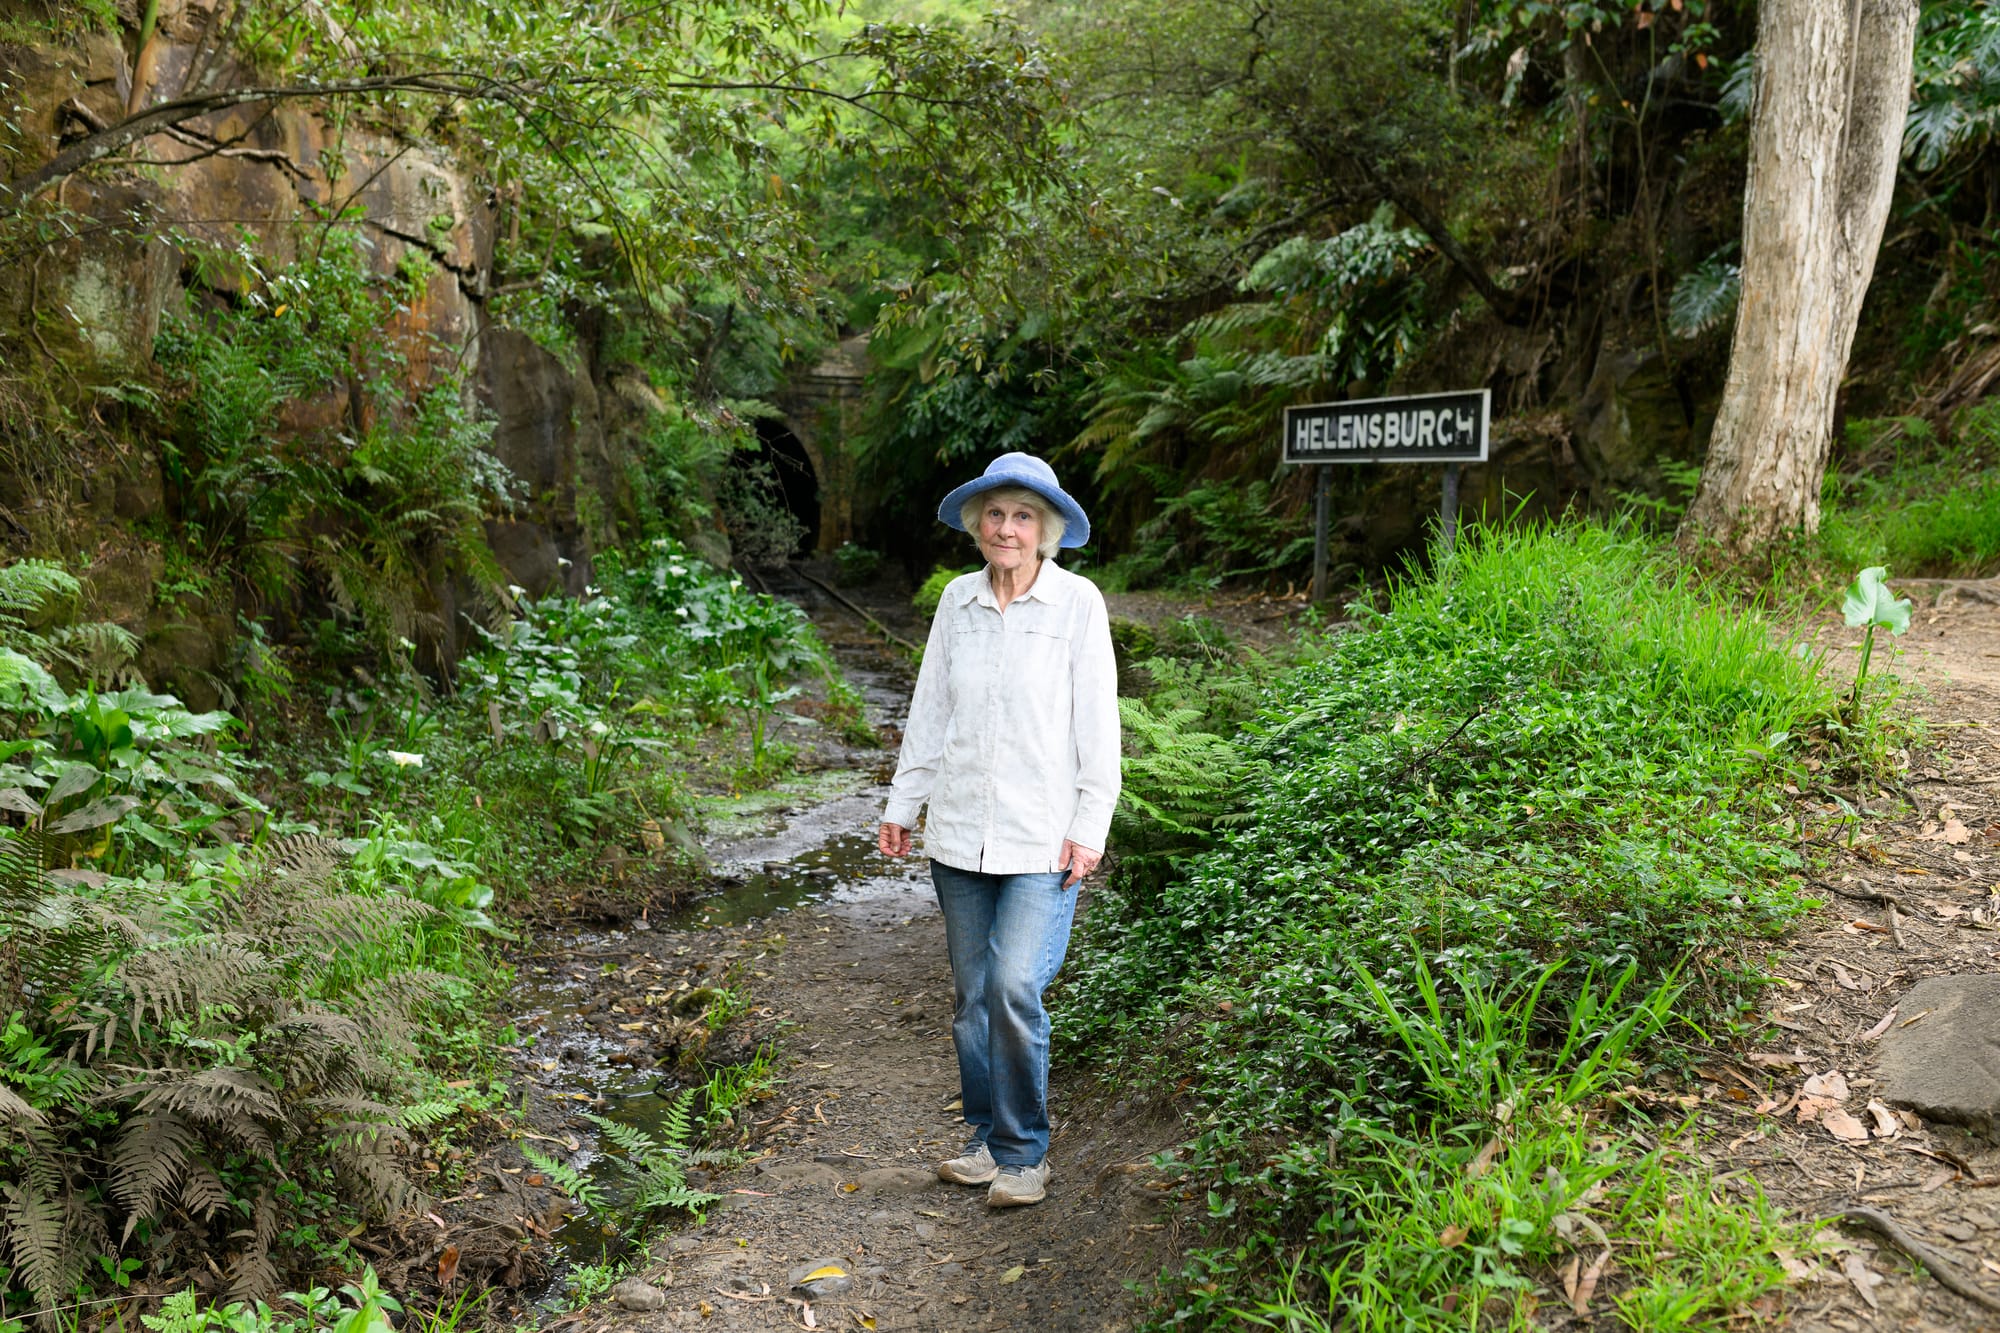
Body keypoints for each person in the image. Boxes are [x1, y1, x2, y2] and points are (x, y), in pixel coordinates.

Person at [877, 452, 1120, 1209]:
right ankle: (985, 1139)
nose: (1006, 528)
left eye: (1021, 516)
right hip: (959, 835)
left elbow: (1098, 726)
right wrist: (901, 804)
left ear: (1045, 529)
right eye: (995, 514)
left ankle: (1025, 1152)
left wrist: (1090, 826)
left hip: (1042, 838)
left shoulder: (1078, 604)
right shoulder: (957, 601)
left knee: (1015, 985)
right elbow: (932, 707)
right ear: (976, 526)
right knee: (972, 996)